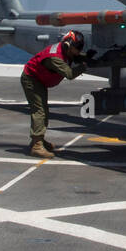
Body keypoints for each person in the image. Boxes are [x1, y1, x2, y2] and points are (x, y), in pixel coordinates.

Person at [19, 30, 91, 158]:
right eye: (77, 47)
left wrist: (86, 57)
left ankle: (38, 140)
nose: (78, 50)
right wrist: (84, 66)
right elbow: (69, 74)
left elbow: (72, 57)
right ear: (69, 45)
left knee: (43, 110)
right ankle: (36, 146)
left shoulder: (65, 50)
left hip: (39, 80)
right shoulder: (55, 58)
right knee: (39, 111)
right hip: (32, 79)